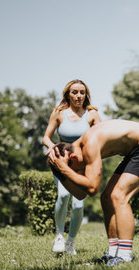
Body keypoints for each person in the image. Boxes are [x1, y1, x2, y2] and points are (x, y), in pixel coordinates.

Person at [47, 119, 139, 265]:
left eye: (74, 169)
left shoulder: (90, 143)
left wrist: (65, 169)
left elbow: (92, 188)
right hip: (136, 151)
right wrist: (61, 173)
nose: (78, 172)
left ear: (72, 158)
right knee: (106, 197)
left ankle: (125, 255)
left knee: (118, 196)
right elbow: (80, 194)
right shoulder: (79, 150)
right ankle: (112, 254)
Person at [43, 79, 101, 255]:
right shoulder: (59, 113)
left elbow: (100, 137)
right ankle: (59, 236)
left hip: (83, 164)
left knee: (78, 206)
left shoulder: (92, 115)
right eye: (74, 92)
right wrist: (52, 149)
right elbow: (46, 137)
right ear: (68, 94)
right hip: (62, 161)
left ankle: (70, 243)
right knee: (63, 194)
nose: (78, 96)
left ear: (86, 95)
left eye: (82, 92)